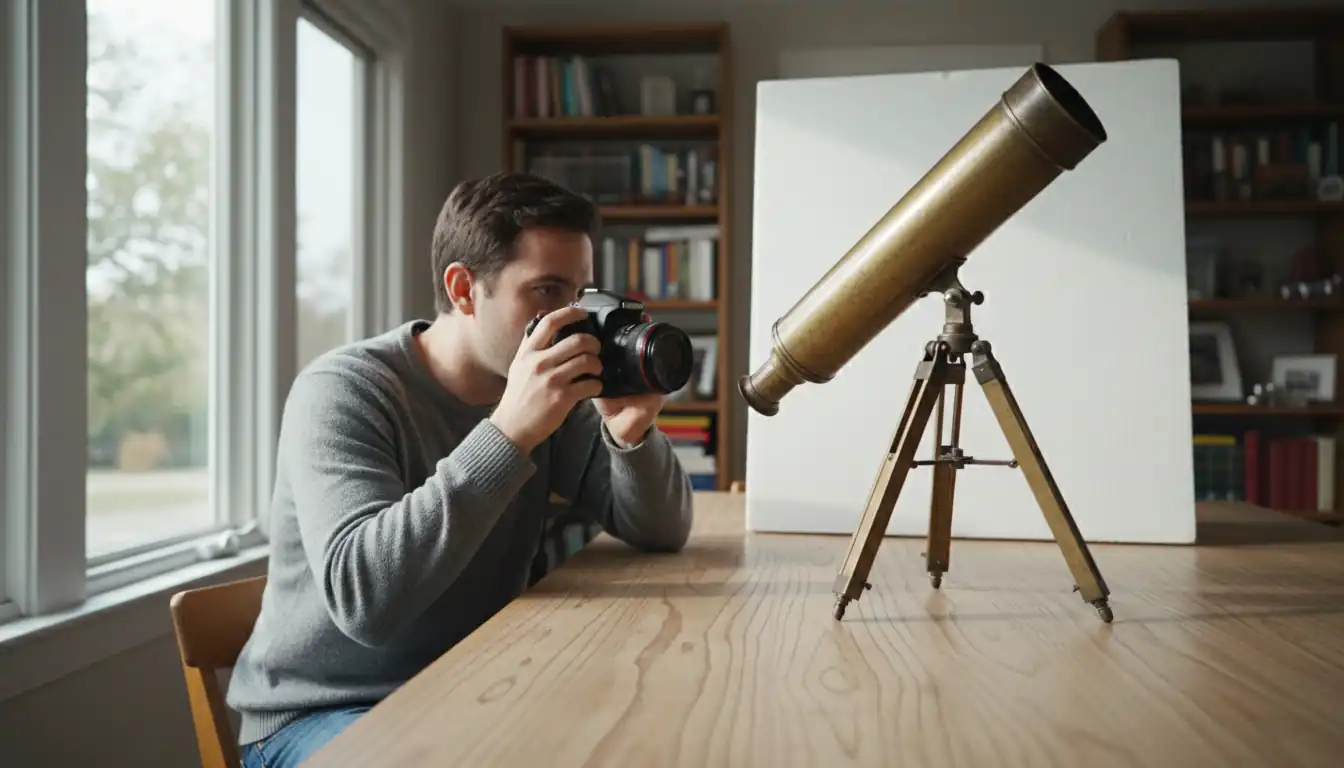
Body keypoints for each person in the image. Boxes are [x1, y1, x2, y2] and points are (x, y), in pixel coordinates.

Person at [229, 172, 695, 768]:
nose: (572, 319)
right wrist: (509, 431)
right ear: (464, 289)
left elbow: (662, 531)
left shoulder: (547, 392)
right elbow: (365, 600)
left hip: (474, 685)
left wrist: (629, 434)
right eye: (546, 291)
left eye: (578, 292)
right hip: (324, 714)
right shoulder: (344, 390)